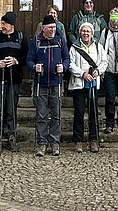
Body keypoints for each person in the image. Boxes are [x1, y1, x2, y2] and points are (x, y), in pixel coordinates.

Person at [27, 13, 70, 157]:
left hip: (56, 83)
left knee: (56, 115)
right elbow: (29, 59)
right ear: (43, 28)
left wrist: (64, 67)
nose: (52, 30)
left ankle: (55, 142)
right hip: (41, 83)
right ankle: (42, 143)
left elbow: (67, 58)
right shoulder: (37, 41)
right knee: (41, 115)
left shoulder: (60, 40)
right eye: (50, 27)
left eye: (54, 27)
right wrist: (34, 67)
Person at [0, 10, 28, 152]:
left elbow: (27, 57)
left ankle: (11, 135)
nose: (2, 26)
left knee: (11, 108)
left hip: (14, 79)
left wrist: (16, 61)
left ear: (12, 25)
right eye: (2, 23)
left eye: (5, 23)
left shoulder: (21, 37)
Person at [69, 20, 108, 152]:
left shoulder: (98, 47)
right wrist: (82, 73)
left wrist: (98, 71)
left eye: (88, 31)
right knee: (79, 112)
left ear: (92, 33)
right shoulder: (74, 47)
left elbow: (104, 61)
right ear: (80, 32)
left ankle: (93, 140)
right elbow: (71, 64)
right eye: (83, 31)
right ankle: (78, 140)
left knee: (93, 112)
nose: (85, 33)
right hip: (79, 84)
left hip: (93, 83)